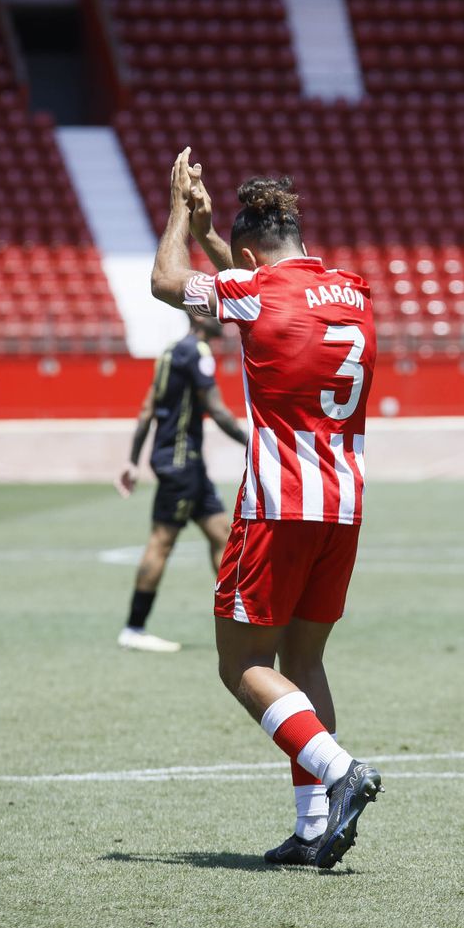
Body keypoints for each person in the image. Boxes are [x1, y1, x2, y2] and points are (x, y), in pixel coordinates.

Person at [149, 147, 381, 869]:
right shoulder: (352, 291)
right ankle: (315, 829)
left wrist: (183, 214)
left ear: (247, 254)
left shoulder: (254, 295)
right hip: (343, 506)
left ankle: (342, 772)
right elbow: (264, 280)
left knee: (241, 663)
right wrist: (226, 241)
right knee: (304, 659)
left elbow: (166, 282)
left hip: (278, 505)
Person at [116, 314, 248, 653]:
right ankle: (134, 628)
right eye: (217, 310)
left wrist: (133, 459)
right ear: (200, 316)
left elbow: (148, 410)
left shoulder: (170, 352)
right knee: (161, 542)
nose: (225, 318)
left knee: (222, 534)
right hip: (181, 463)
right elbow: (217, 410)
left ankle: (238, 622)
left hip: (186, 465)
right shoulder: (198, 352)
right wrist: (255, 445)